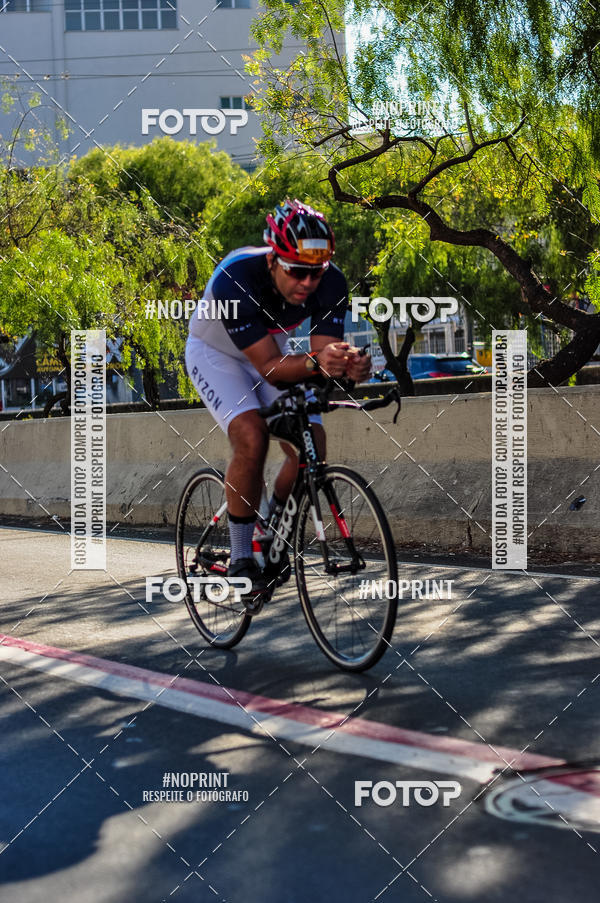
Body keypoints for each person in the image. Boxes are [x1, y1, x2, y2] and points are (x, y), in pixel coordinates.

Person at [185, 198, 371, 598]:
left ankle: (270, 524)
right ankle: (240, 557)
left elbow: (322, 359)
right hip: (216, 354)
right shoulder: (236, 277)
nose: (307, 283)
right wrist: (317, 363)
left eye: (315, 273)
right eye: (297, 272)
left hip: (274, 350)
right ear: (273, 259)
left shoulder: (332, 283)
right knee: (252, 435)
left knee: (312, 443)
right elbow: (269, 366)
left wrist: (347, 367)